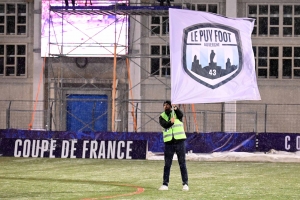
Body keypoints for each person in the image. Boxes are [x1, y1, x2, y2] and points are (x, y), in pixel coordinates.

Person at [158, 100, 189, 191]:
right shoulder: (161, 116)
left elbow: (181, 115)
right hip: (169, 143)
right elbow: (164, 125)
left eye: (168, 105)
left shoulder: (176, 113)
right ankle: (165, 184)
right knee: (167, 164)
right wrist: (171, 122)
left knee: (182, 163)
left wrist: (176, 108)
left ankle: (185, 184)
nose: (166, 106)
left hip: (179, 141)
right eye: (164, 105)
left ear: (171, 106)